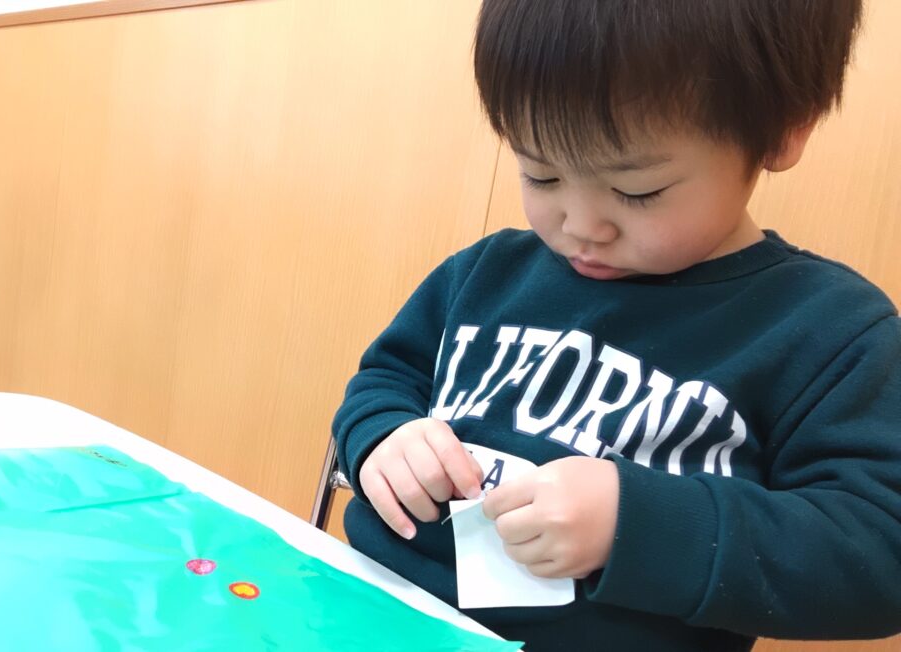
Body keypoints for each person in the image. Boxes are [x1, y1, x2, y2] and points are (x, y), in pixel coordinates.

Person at [332, 1, 901, 650]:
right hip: (364, 613)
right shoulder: (486, 271)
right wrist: (384, 436)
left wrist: (639, 524)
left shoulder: (830, 331)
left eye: (637, 191)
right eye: (541, 173)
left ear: (783, 131)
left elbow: (879, 550)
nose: (580, 226)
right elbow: (388, 377)